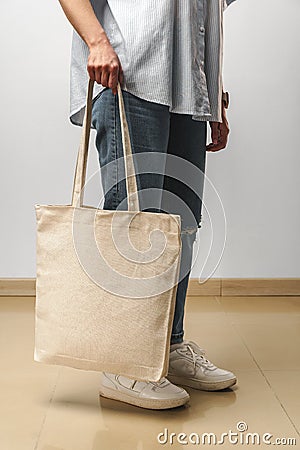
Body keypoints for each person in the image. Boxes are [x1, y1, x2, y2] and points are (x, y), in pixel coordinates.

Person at [58, 0, 238, 410]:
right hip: (128, 75)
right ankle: (126, 363)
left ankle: (166, 348)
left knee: (182, 228)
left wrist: (215, 92)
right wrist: (96, 41)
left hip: (190, 90)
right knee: (133, 224)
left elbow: (206, 14)